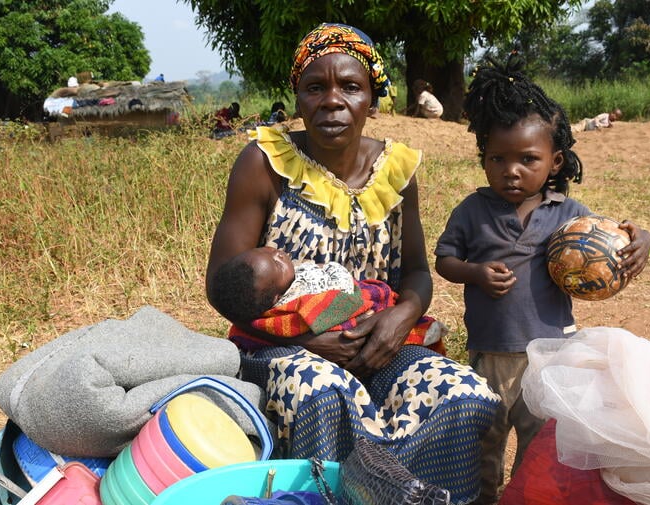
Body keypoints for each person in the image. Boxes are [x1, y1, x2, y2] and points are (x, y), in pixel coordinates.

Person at [206, 22, 500, 503]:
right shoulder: (263, 163)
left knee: (462, 393)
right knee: (320, 391)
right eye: (314, 87)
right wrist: (305, 339)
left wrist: (400, 317)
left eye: (350, 86)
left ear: (372, 98)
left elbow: (417, 272)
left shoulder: (396, 171)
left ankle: (416, 495)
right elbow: (223, 284)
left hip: (380, 343)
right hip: (283, 347)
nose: (332, 101)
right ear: (298, 98)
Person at [434, 56, 650, 505]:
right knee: (485, 439)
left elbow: (611, 239)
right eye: (497, 158)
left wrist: (643, 239)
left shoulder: (570, 216)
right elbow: (444, 260)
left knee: (539, 445)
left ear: (554, 162)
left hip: (551, 356)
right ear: (484, 159)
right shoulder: (473, 211)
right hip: (490, 354)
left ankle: (523, 497)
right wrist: (474, 272)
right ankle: (484, 498)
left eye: (527, 159)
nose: (511, 170)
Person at [210, 246, 447, 350]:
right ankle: (420, 333)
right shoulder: (298, 298)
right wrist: (333, 270)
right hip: (353, 306)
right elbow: (342, 300)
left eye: (268, 250)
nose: (279, 254)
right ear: (275, 297)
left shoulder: (287, 280)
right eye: (277, 265)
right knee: (375, 311)